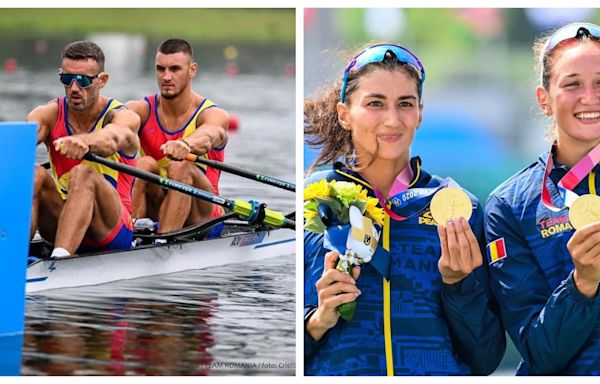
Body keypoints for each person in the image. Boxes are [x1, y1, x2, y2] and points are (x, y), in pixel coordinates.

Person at [303, 43, 506, 375]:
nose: (392, 120)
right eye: (375, 104)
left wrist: (459, 285)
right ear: (344, 114)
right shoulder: (313, 200)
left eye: (405, 104)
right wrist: (317, 319)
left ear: (420, 114)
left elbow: (487, 357)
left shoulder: (458, 208)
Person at [485, 22, 600, 375]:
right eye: (572, 84)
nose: (589, 97)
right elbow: (538, 352)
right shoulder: (509, 206)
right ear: (544, 99)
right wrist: (583, 284)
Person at [28, 41, 140, 258]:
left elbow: (112, 138)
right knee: (34, 173)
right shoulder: (47, 114)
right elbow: (22, 141)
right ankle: (10, 256)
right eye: (67, 79)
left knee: (83, 174)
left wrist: (85, 141)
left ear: (102, 81)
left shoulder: (123, 116)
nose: (74, 88)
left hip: (112, 229)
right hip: (62, 220)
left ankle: (60, 260)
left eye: (83, 81)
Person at [127, 39, 229, 234]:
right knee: (144, 164)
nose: (166, 77)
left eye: (175, 69)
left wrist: (185, 144)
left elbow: (209, 135)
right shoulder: (140, 109)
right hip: (158, 203)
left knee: (180, 166)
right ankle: (132, 233)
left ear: (192, 70)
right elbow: (116, 123)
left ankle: (164, 240)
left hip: (204, 214)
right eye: (160, 69)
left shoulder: (212, 114)